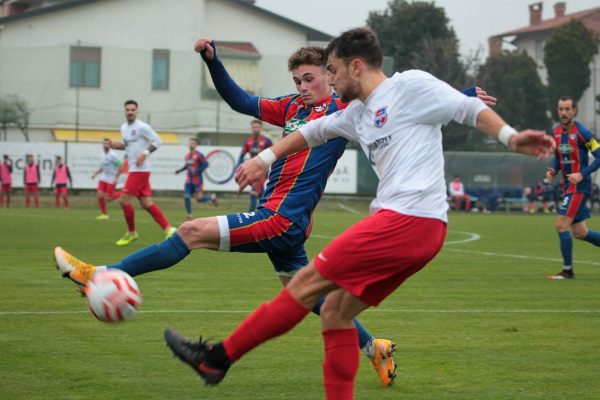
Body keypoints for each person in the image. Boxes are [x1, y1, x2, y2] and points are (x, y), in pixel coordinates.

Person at [53, 39, 496, 387]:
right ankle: (374, 348)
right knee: (315, 302)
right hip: (279, 218)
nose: (302, 87)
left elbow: (399, 99)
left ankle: (100, 273)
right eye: (297, 80)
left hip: (281, 219)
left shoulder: (346, 108)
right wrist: (212, 60)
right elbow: (240, 100)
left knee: (190, 231)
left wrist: (461, 95)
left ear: (332, 75)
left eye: (309, 79)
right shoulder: (288, 107)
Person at [159, 28, 554, 399]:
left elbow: (467, 107)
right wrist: (264, 158)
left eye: (331, 71)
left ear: (356, 66)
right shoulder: (357, 112)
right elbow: (311, 133)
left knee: (303, 285)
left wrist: (512, 137)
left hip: (406, 220)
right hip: (417, 231)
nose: (328, 82)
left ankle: (216, 359)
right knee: (334, 313)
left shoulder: (409, 85)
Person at [108, 100, 176, 246]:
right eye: (128, 109)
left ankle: (132, 233)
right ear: (124, 111)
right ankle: (169, 229)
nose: (130, 112)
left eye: (133, 109)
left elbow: (158, 141)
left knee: (123, 200)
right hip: (135, 169)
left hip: (141, 170)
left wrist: (144, 153)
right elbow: (128, 146)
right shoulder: (124, 127)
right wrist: (117, 145)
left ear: (137, 111)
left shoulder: (142, 127)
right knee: (146, 203)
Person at [545, 96, 600, 279]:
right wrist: (553, 169)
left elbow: (599, 156)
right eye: (561, 109)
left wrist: (581, 174)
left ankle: (567, 271)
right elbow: (558, 156)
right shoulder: (556, 133)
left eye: (567, 109)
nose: (563, 113)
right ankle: (568, 270)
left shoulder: (583, 132)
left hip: (579, 187)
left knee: (561, 225)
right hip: (567, 186)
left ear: (574, 111)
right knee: (580, 232)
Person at [175, 137, 218, 220]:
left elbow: (206, 164)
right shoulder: (187, 156)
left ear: (196, 145)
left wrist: (197, 170)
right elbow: (187, 166)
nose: (191, 144)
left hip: (197, 181)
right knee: (187, 196)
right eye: (190, 143)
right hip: (188, 181)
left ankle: (211, 197)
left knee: (199, 199)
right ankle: (189, 214)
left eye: (193, 143)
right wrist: (179, 170)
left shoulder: (199, 155)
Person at [237, 120, 272, 211]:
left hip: (264, 171)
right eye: (254, 127)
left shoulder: (266, 141)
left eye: (257, 127)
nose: (255, 129)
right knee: (260, 194)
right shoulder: (248, 141)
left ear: (261, 128)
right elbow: (241, 155)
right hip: (254, 171)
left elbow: (274, 153)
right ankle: (265, 214)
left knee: (254, 193)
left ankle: (250, 218)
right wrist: (239, 166)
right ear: (251, 128)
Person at [91, 138, 122, 219]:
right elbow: (103, 167)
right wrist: (95, 174)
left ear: (110, 145)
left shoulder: (113, 155)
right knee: (99, 195)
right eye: (104, 144)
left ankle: (124, 193)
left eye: (107, 144)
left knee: (108, 198)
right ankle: (104, 214)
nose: (105, 145)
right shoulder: (102, 154)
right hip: (104, 178)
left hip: (111, 179)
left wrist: (116, 177)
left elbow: (120, 166)